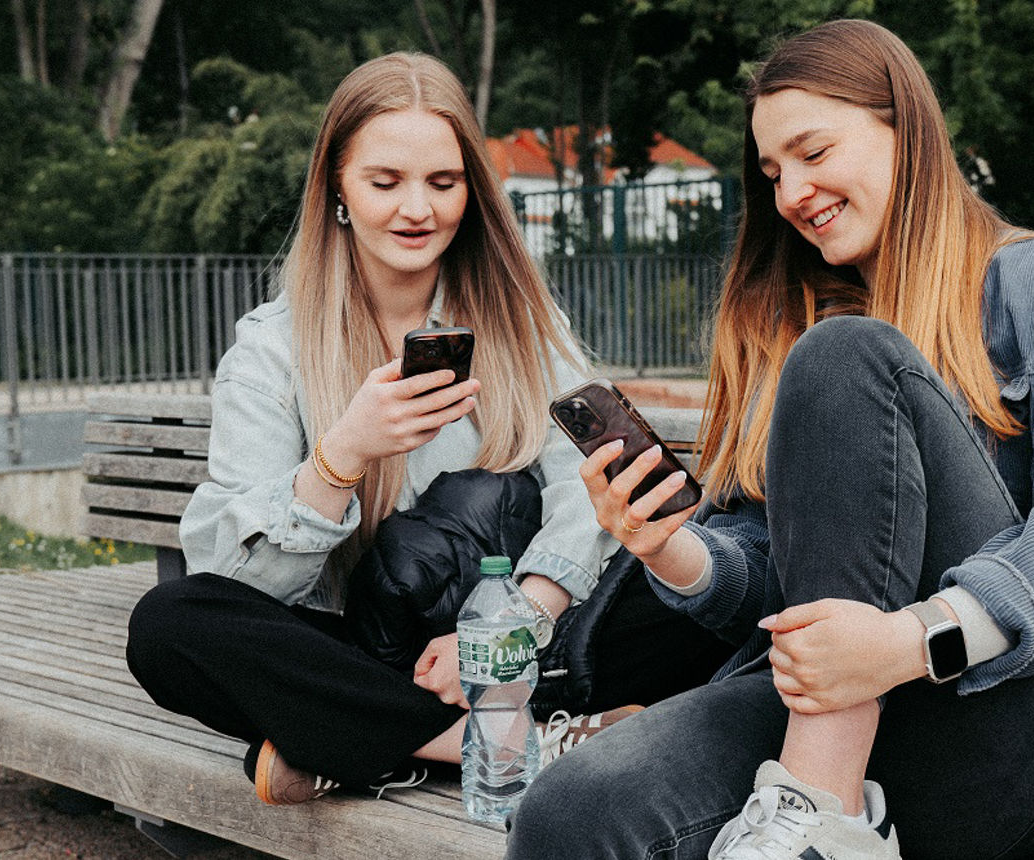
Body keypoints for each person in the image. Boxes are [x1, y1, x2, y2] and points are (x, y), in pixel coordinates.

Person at [506, 19, 1034, 860]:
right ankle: (821, 813)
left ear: (906, 129)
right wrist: (672, 548)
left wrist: (906, 641)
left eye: (813, 153)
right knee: (567, 816)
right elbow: (784, 588)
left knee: (847, 357)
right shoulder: (797, 322)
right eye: (774, 172)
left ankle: (819, 808)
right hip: (850, 725)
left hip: (1027, 727)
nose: (789, 193)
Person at [125, 51, 729, 807]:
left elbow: (594, 483)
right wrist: (339, 458)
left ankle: (356, 745)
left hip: (529, 646)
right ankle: (501, 745)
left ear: (472, 191)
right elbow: (237, 582)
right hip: (369, 657)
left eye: (443, 183)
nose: (418, 208)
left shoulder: (524, 324)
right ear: (337, 188)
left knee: (718, 588)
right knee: (169, 624)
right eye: (386, 182)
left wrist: (517, 621)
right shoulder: (272, 350)